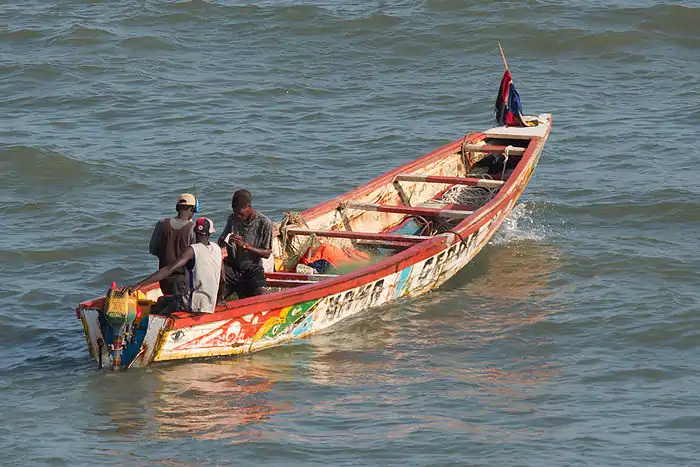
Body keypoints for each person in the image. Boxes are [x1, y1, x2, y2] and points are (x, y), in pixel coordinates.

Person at [130, 218, 222, 316]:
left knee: (160, 314)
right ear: (210, 233)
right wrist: (219, 300)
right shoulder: (217, 249)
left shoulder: (192, 250)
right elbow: (223, 278)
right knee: (162, 300)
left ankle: (151, 323)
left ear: (195, 231)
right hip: (209, 304)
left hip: (192, 304)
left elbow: (169, 269)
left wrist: (139, 285)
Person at [217, 189, 273, 300]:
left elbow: (266, 253)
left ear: (249, 207)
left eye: (241, 213)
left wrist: (245, 245)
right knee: (214, 292)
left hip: (253, 268)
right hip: (232, 267)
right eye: (235, 212)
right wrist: (227, 240)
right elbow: (220, 241)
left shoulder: (264, 223)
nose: (238, 216)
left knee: (261, 296)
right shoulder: (232, 219)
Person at [148, 193, 197, 296]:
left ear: (177, 208)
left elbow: (153, 249)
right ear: (192, 209)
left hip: (163, 279)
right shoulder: (193, 228)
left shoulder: (162, 223)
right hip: (183, 280)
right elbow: (197, 257)